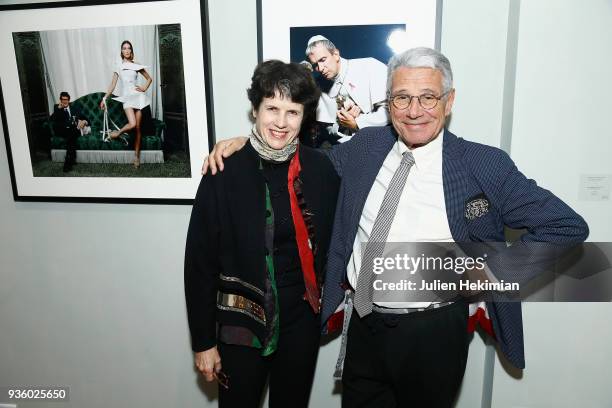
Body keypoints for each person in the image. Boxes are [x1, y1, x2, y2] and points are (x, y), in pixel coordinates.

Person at [202, 47, 589, 407]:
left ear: (449, 101)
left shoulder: (483, 164)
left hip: (434, 333)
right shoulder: (363, 148)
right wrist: (248, 143)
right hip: (365, 326)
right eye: (401, 98)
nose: (414, 110)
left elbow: (565, 227)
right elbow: (304, 165)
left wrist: (486, 274)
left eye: (428, 97)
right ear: (388, 104)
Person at [184, 60, 340, 407]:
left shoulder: (321, 169)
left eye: (292, 111)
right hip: (241, 323)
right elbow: (199, 264)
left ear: (305, 116)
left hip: (301, 321)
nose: (281, 122)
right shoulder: (223, 171)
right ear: (255, 109)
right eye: (272, 108)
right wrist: (203, 342)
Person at [305, 35, 389, 144]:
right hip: (344, 146)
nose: (320, 69)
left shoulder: (369, 66)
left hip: (380, 140)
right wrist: (342, 123)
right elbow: (328, 128)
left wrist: (356, 122)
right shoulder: (320, 86)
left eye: (323, 60)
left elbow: (390, 112)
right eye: (315, 65)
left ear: (336, 54)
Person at [99, 40, 153, 168]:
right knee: (132, 124)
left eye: (129, 48)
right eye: (124, 48)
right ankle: (117, 133)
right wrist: (104, 98)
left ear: (131, 51)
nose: (127, 50)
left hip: (138, 97)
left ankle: (136, 157)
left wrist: (144, 88)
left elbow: (149, 79)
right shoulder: (118, 65)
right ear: (121, 51)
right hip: (128, 98)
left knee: (138, 128)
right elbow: (113, 84)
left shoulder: (136, 65)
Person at [49, 91, 89, 172]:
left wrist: (84, 121)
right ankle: (71, 159)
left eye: (66, 99)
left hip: (72, 130)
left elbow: (86, 118)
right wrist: (59, 109)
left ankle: (69, 161)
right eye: (63, 99)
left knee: (72, 133)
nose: (65, 101)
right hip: (62, 130)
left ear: (69, 100)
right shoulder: (57, 108)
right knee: (72, 133)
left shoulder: (75, 108)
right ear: (60, 100)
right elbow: (53, 120)